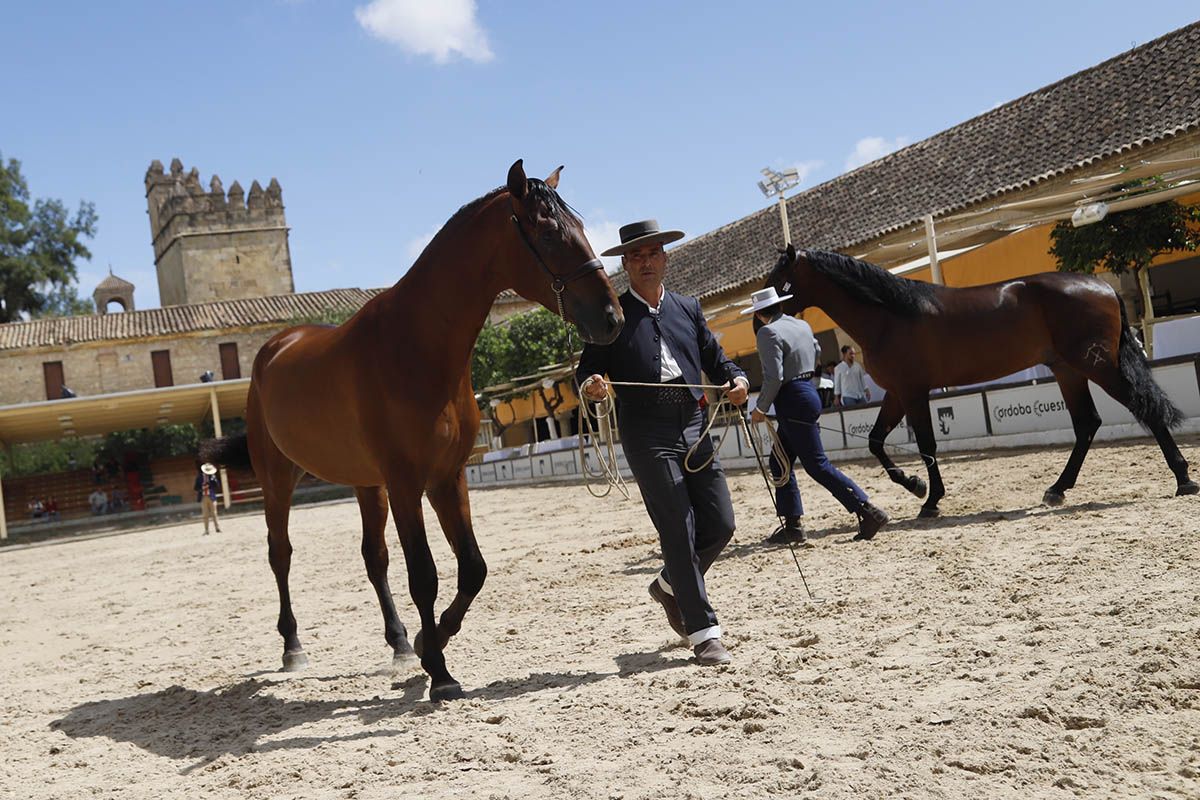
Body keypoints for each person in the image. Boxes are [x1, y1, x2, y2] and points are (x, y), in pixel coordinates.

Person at [577, 220, 749, 667]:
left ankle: (668, 585)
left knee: (722, 523)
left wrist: (737, 378)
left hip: (694, 421)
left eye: (653, 253)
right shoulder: (610, 315)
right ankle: (703, 632)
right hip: (646, 430)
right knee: (678, 526)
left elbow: (716, 357)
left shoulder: (688, 307)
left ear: (666, 258)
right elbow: (587, 373)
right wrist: (593, 385)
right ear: (625, 265)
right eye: (636, 256)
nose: (646, 262)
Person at [746, 288, 889, 543]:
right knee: (780, 462)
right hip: (807, 390)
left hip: (791, 398)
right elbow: (817, 353)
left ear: (758, 314)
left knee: (817, 465)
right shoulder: (801, 325)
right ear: (778, 306)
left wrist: (760, 408)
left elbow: (774, 376)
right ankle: (793, 525)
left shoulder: (768, 332)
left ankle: (866, 509)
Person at [195, 462, 222, 534]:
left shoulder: (212, 477)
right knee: (205, 514)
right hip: (203, 497)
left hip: (211, 496)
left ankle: (217, 528)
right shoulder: (199, 477)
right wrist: (202, 488)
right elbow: (195, 487)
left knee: (214, 513)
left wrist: (214, 480)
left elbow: (217, 486)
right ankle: (206, 530)